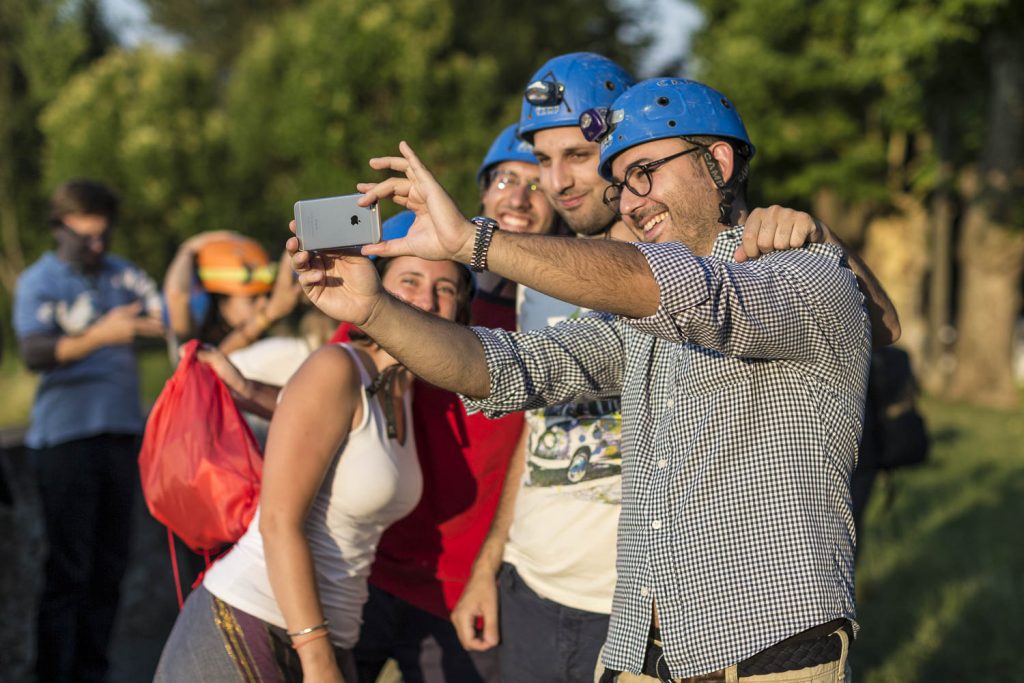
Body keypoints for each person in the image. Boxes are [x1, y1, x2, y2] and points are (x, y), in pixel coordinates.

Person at [290, 76, 875, 681]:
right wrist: (374, 311)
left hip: (766, 658)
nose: (629, 202)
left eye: (645, 171)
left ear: (717, 163)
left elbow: (685, 288)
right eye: (620, 184)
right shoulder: (642, 321)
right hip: (638, 654)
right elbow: (504, 368)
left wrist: (471, 241)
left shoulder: (807, 278)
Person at [153, 246, 476, 683]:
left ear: (460, 309)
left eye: (445, 288)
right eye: (411, 280)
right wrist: (317, 656)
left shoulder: (402, 387)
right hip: (254, 624)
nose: (427, 299)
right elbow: (279, 524)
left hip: (326, 634)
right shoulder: (338, 366)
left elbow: (329, 422)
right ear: (375, 288)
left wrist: (329, 651)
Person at [452, 53, 638, 683]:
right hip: (529, 587)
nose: (556, 182)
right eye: (542, 159)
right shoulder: (539, 279)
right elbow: (539, 436)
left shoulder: (692, 265)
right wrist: (490, 564)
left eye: (578, 157)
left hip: (640, 607)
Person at [352, 129, 554, 683]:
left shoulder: (545, 328)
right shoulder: (374, 332)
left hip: (464, 585)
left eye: (538, 184)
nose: (519, 198)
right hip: (367, 573)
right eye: (507, 180)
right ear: (481, 196)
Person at [12, 178, 164, 683]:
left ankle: (92, 672)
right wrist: (99, 336)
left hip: (120, 438)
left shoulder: (122, 274)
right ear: (60, 229)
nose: (97, 247)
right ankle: (54, 673)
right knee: (68, 572)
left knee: (110, 568)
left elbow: (171, 316)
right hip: (65, 443)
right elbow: (34, 353)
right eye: (85, 238)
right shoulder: (40, 281)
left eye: (103, 236)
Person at [163, 231, 301, 357]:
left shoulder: (266, 338)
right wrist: (189, 249)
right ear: (223, 303)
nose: (263, 303)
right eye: (252, 299)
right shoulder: (193, 341)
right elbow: (177, 296)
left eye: (265, 295)